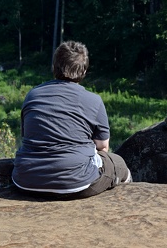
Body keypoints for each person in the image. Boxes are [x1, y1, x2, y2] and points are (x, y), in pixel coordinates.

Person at [12, 41, 132, 200]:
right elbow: (103, 147)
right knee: (118, 164)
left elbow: (27, 136)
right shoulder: (94, 100)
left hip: (25, 180)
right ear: (84, 70)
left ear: (54, 65)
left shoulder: (32, 95)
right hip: (75, 184)